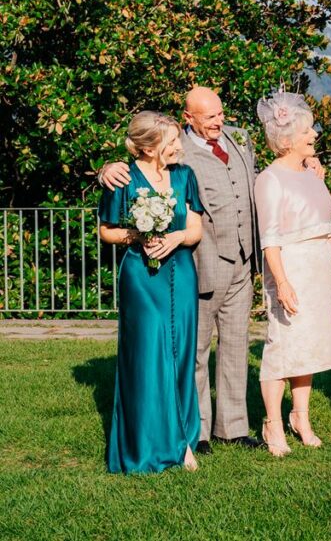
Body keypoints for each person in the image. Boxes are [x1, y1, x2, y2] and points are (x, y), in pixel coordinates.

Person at [99, 87, 320, 451]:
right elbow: (140, 171)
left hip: (243, 260)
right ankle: (197, 431)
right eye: (210, 116)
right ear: (188, 119)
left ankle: (232, 427)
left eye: (220, 113)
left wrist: (306, 162)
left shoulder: (240, 139)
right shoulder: (176, 152)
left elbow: (273, 168)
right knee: (196, 349)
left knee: (234, 345)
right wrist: (106, 170)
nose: (219, 121)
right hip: (200, 261)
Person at [253, 93, 331, 456]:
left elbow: (326, 227)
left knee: (309, 349)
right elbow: (269, 239)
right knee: (282, 348)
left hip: (317, 268)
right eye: (307, 130)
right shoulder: (270, 179)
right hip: (290, 268)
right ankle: (272, 423)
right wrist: (281, 282)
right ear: (286, 140)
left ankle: (301, 416)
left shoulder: (314, 175)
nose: (314, 134)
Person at [98, 111, 204, 473]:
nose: (178, 146)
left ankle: (183, 440)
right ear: (147, 147)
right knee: (149, 355)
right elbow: (107, 231)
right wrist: (137, 235)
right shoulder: (122, 179)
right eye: (171, 141)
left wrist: (176, 236)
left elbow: (196, 228)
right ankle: (144, 445)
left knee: (181, 354)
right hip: (141, 277)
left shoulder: (184, 175)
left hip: (182, 273)